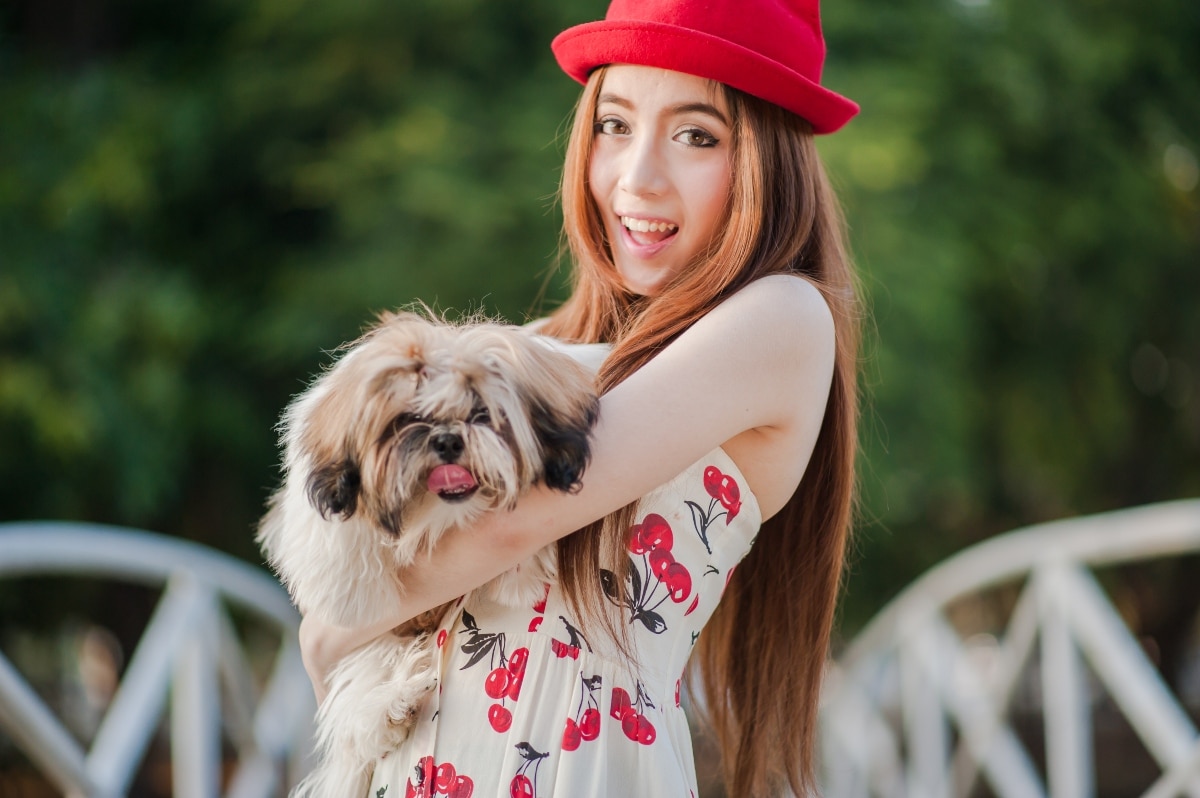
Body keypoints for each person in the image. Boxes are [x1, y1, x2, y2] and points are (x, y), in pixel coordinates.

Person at [298, 0, 861, 795]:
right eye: (615, 125)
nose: (638, 178)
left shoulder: (783, 320)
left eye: (697, 135)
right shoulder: (536, 353)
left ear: (768, 158)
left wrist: (327, 631)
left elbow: (512, 522)